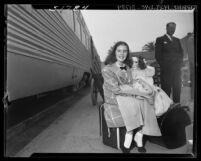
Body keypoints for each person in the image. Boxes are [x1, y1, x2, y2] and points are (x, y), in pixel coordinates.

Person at [102, 41, 161, 153]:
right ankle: (128, 141)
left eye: (125, 51)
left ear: (127, 53)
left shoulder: (127, 67)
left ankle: (139, 137)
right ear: (114, 52)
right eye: (119, 50)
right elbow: (117, 90)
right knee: (137, 102)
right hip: (115, 98)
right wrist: (138, 93)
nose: (122, 53)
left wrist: (143, 89)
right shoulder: (107, 69)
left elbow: (131, 84)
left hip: (128, 94)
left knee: (146, 102)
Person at [155, 22, 184, 104]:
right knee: (166, 91)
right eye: (171, 28)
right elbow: (158, 56)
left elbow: (181, 53)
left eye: (174, 28)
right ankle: (167, 110)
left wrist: (179, 64)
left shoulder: (177, 40)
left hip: (177, 70)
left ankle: (177, 106)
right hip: (166, 71)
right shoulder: (160, 40)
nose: (172, 30)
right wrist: (165, 67)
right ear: (166, 28)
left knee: (177, 89)